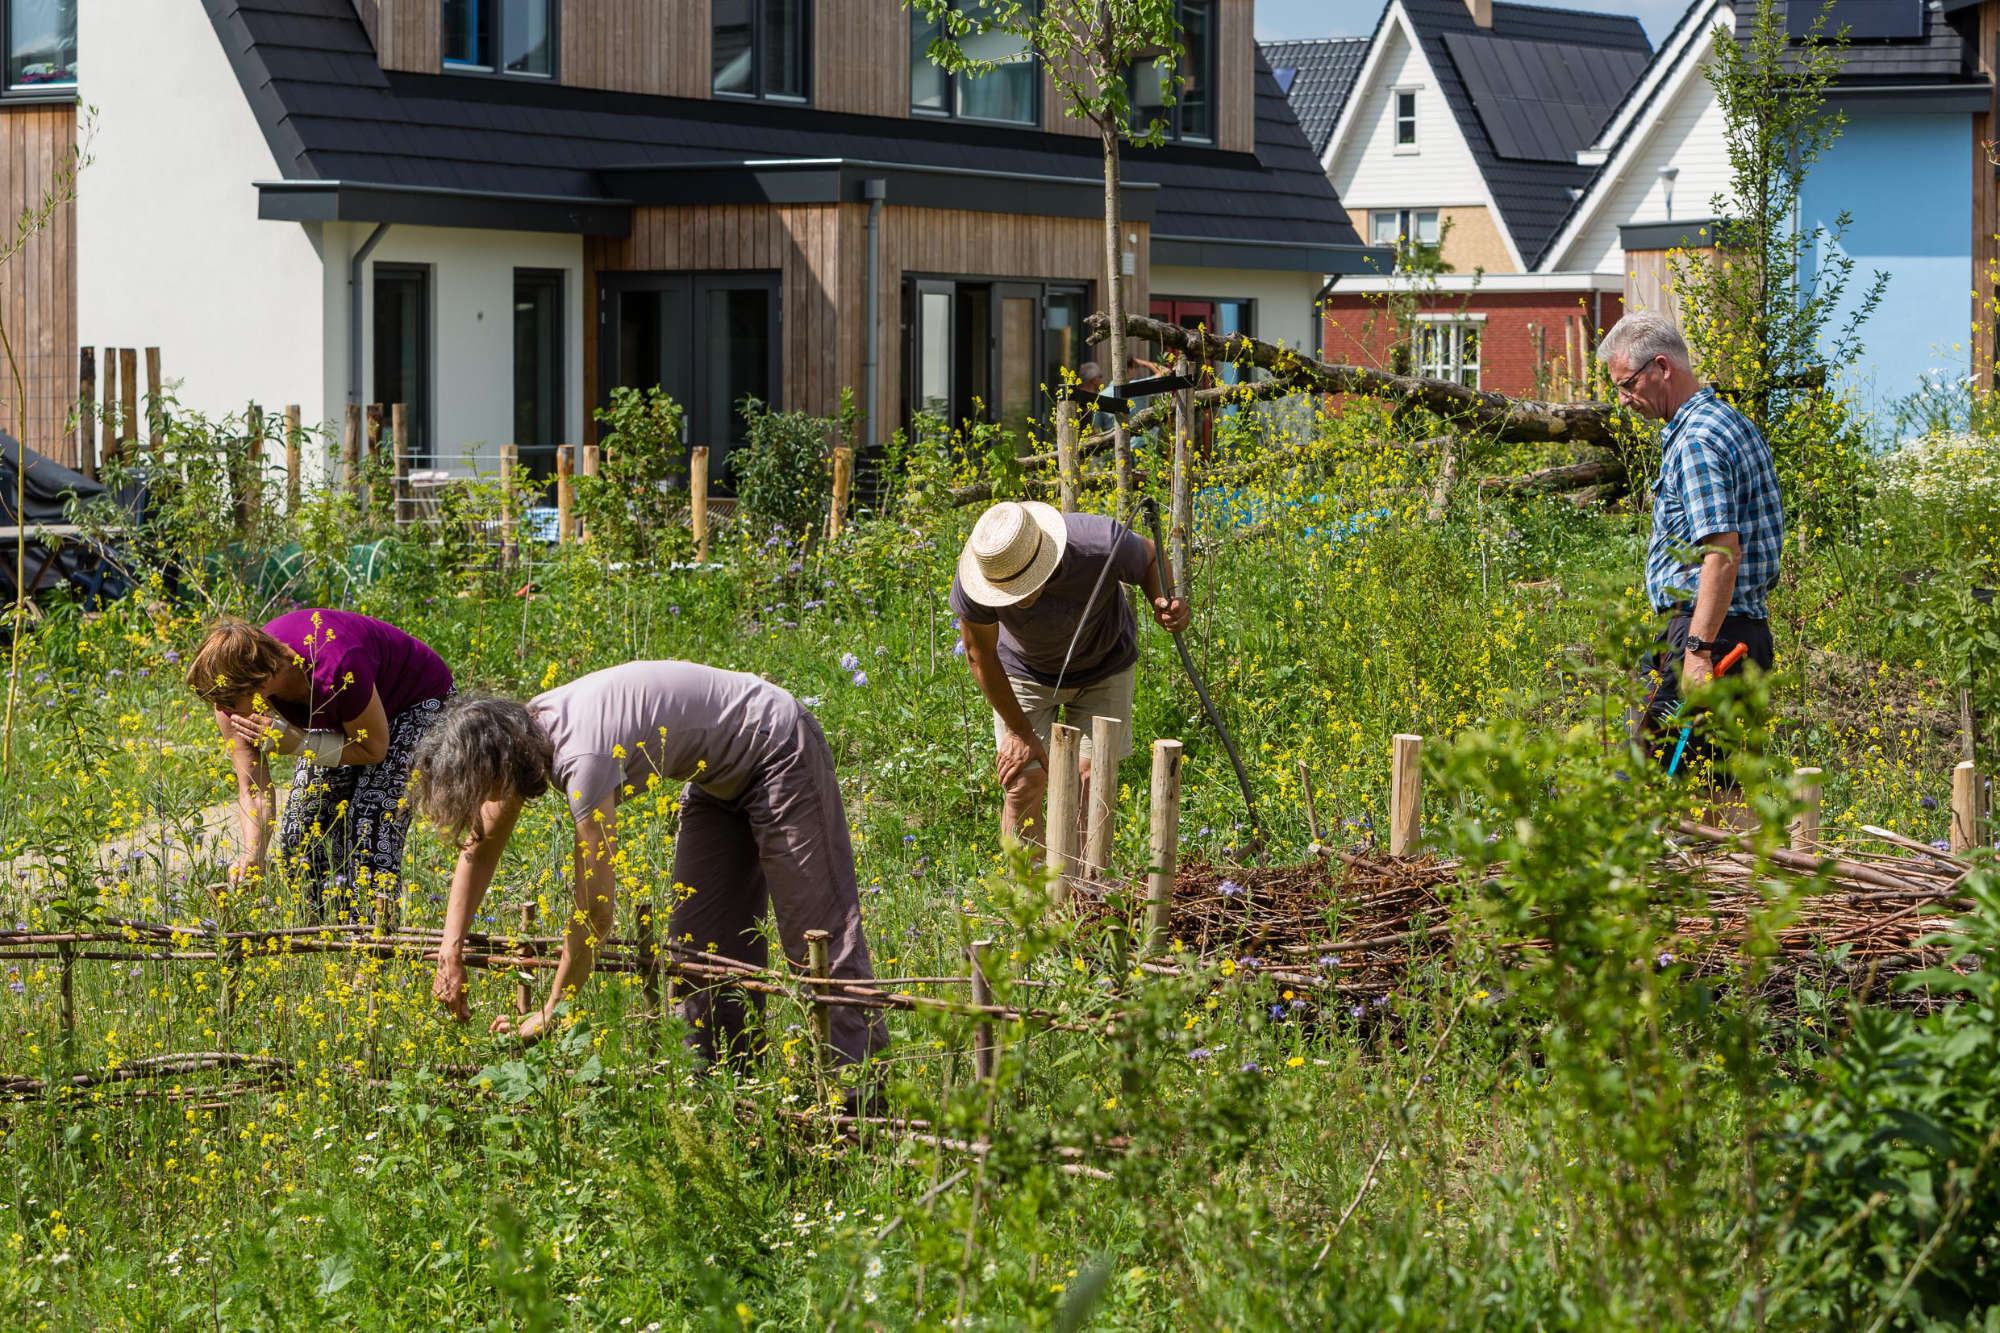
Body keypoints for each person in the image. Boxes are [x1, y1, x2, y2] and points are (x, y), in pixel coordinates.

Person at [412, 662, 887, 1069]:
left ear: (497, 764)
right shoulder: (526, 733)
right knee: (701, 950)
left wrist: (553, 1012)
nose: (486, 804)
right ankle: (724, 1089)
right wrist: (450, 949)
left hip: (777, 746)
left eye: (483, 792)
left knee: (817, 939)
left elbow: (595, 914)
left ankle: (860, 1106)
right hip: (716, 780)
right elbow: (480, 846)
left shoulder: (582, 757)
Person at [1598, 310, 1783, 785]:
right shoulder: (1725, 421)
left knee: (1647, 790)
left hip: (1707, 636)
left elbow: (1722, 552)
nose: (1623, 399)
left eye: (1627, 384)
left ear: (1662, 367)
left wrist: (1697, 651)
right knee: (1720, 790)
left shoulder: (1697, 440)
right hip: (1733, 633)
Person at [185, 611, 455, 916]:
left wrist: (299, 743)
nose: (222, 711)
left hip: (413, 703)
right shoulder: (234, 702)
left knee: (368, 824)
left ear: (259, 682)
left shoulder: (335, 667)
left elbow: (374, 749)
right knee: (299, 830)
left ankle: (371, 943)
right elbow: (255, 788)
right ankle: (321, 931)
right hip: (346, 711)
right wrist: (254, 854)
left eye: (228, 702)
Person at [951, 500, 1190, 843]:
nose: (1014, 598)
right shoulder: (979, 577)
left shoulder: (1099, 544)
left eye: (1023, 585)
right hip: (1024, 672)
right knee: (1023, 780)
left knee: (1091, 779)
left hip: (1104, 664)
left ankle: (1083, 890)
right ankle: (1030, 893)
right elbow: (980, 656)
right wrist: (1019, 732)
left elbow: (1151, 557)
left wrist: (1162, 601)